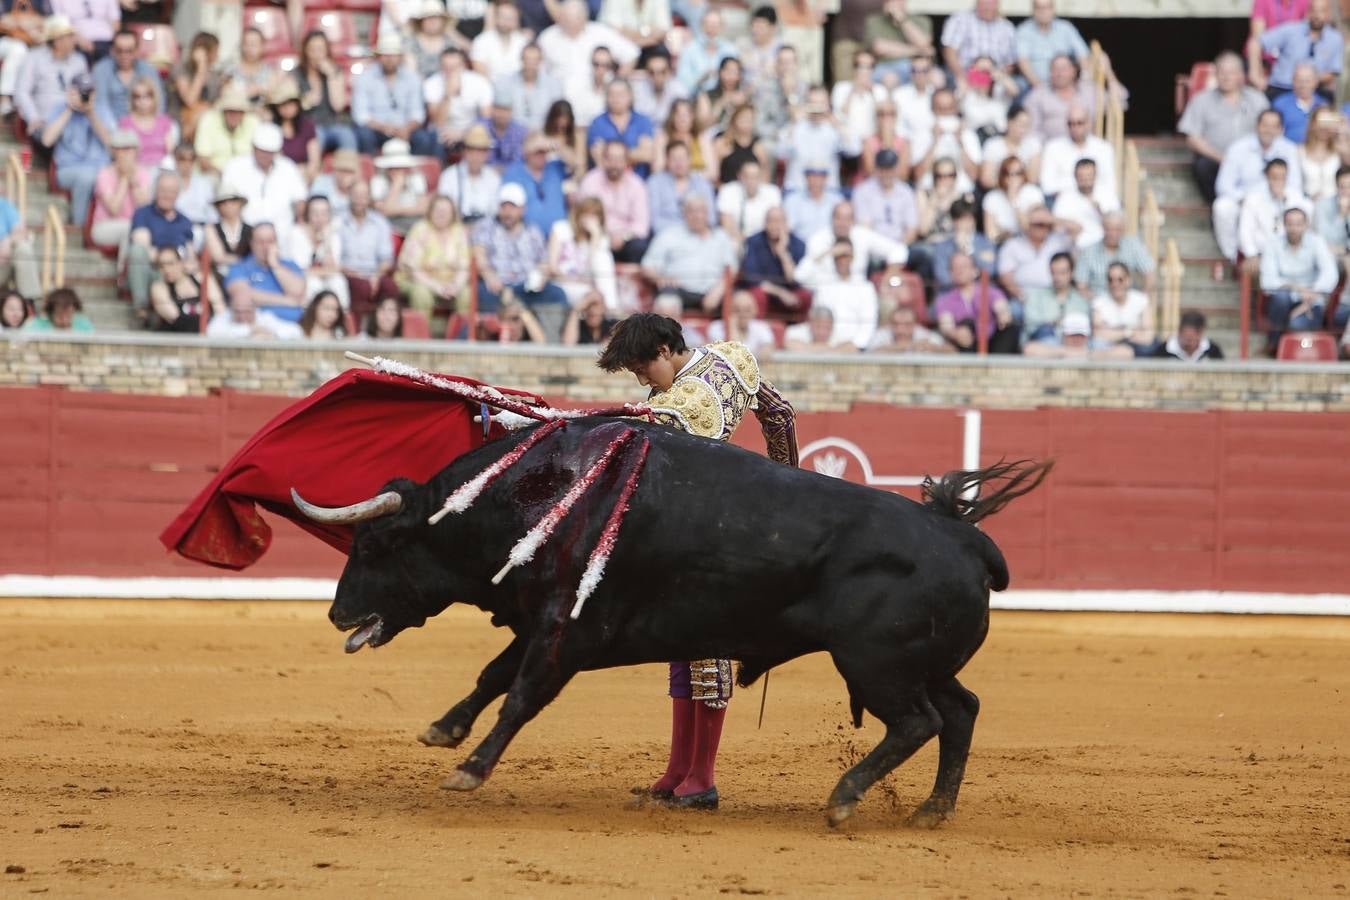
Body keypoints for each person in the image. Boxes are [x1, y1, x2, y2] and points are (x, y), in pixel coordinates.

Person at [596, 311, 797, 812]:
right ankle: (679, 770)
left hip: (711, 535)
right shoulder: (733, 355)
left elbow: (629, 433)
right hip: (704, 526)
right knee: (683, 643)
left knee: (704, 646)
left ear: (666, 350)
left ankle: (701, 777)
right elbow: (781, 414)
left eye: (643, 367)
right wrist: (789, 484)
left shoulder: (685, 402)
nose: (642, 379)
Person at [1178, 51, 1271, 204]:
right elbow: (1192, 137)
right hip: (1217, 159)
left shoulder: (1257, 99)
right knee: (1202, 166)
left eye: (1232, 72)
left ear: (1241, 75)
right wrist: (1223, 158)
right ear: (1215, 74)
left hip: (1251, 158)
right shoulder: (1201, 100)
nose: (1226, 77)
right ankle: (1215, 205)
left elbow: (1269, 127)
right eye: (1222, 72)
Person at [471, 182, 568, 327]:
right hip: (497, 286)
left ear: (523, 209)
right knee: (481, 293)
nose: (508, 212)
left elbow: (543, 262)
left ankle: (551, 341)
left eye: (513, 207)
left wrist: (541, 277)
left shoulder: (533, 231)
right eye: (504, 207)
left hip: (526, 288)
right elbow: (478, 255)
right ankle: (491, 338)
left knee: (557, 294)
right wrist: (489, 276)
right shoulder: (486, 226)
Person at [1213, 109, 1302, 261]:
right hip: (1243, 199)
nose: (1268, 130)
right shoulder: (1238, 148)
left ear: (1281, 130)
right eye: (1264, 125)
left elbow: (1295, 185)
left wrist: (1279, 194)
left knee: (1303, 206)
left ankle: (1290, 256)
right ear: (1257, 126)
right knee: (1222, 207)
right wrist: (1245, 199)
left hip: (1277, 198)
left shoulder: (1289, 149)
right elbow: (1223, 185)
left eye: (1273, 126)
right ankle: (1232, 257)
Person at [640, 193, 739, 311]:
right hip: (679, 289)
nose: (697, 216)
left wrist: (718, 290)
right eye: (691, 211)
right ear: (684, 213)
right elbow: (647, 265)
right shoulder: (669, 234)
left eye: (700, 211)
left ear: (707, 213)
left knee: (740, 302)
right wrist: (660, 277)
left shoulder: (721, 237)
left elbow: (732, 269)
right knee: (666, 302)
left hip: (714, 291)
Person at [1259, 206, 1337, 346]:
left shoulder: (1316, 242)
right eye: (1290, 224)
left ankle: (1283, 348)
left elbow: (1330, 274)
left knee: (1297, 325)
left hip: (1311, 300)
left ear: (1305, 225)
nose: (1294, 228)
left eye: (1298, 224)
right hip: (1284, 299)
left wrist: (1311, 294)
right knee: (1281, 297)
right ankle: (1273, 344)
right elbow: (1267, 281)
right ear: (1284, 225)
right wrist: (1297, 288)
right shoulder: (1273, 244)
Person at [41, 71, 108, 228]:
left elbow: (110, 142)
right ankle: (79, 228)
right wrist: (69, 109)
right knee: (87, 177)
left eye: (88, 92)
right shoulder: (60, 109)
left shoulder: (102, 110)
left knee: (103, 177)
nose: (84, 96)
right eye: (81, 91)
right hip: (68, 168)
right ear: (72, 91)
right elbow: (46, 140)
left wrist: (91, 113)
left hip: (100, 167)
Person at [125, 169, 193, 319]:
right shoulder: (143, 214)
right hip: (155, 269)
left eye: (171, 191)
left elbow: (190, 254)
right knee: (137, 252)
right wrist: (169, 261)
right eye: (163, 190)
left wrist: (183, 265)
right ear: (155, 191)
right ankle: (141, 307)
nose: (166, 195)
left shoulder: (185, 221)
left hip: (180, 272)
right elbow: (142, 247)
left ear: (178, 194)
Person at [352, 34, 435, 156]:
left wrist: (406, 129)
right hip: (377, 129)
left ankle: (417, 173)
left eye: (393, 54)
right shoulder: (366, 77)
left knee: (423, 139)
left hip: (405, 129)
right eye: (386, 54)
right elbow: (361, 115)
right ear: (379, 57)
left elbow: (417, 114)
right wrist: (383, 127)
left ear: (400, 57)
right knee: (364, 135)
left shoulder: (411, 77)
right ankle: (368, 172)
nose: (390, 59)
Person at [221, 122, 306, 238]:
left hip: (283, 232)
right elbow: (226, 203)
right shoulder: (236, 166)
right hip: (244, 234)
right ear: (253, 147)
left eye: (270, 152)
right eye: (261, 150)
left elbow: (300, 200)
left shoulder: (288, 167)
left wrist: (299, 221)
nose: (265, 155)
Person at [397, 194, 472, 326]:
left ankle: (461, 337)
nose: (441, 215)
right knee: (421, 293)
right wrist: (437, 287)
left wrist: (455, 286)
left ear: (453, 214)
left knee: (466, 293)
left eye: (446, 211)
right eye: (438, 210)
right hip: (419, 281)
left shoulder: (459, 231)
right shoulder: (420, 229)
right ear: (430, 212)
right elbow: (413, 270)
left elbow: (464, 267)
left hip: (450, 283)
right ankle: (422, 340)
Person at [799, 200, 908, 288]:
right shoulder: (817, 239)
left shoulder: (862, 235)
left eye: (847, 219)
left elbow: (899, 250)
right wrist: (829, 253)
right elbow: (801, 276)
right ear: (832, 219)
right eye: (838, 218)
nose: (842, 223)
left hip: (859, 292)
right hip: (827, 293)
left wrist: (888, 278)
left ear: (853, 221)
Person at [537, 0, 637, 93]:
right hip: (560, 100)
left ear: (584, 18)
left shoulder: (601, 32)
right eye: (565, 20)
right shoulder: (547, 37)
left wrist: (615, 85)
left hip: (597, 97)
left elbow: (631, 54)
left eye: (574, 20)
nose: (569, 24)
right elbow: (539, 70)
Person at [578, 140, 651, 263]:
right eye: (610, 159)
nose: (614, 164)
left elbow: (641, 225)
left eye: (619, 159)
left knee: (640, 247)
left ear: (626, 162)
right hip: (596, 235)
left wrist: (622, 237)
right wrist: (603, 236)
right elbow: (583, 216)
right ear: (603, 160)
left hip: (626, 239)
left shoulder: (636, 185)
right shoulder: (590, 181)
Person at [338, 181, 400, 321]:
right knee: (361, 287)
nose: (360, 199)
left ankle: (389, 333)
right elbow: (335, 259)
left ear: (369, 198)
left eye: (364, 196)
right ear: (349, 196)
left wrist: (376, 276)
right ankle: (358, 332)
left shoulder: (380, 222)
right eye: (356, 195)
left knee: (390, 287)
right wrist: (355, 274)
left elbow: (387, 258)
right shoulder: (337, 221)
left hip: (375, 273)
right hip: (347, 273)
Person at [14, 14, 86, 133]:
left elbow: (84, 91)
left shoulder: (79, 61)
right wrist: (33, 118)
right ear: (56, 40)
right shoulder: (33, 58)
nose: (74, 40)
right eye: (69, 36)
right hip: (43, 121)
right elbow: (22, 92)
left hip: (72, 121)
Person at [934, 251, 1018, 353]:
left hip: (993, 342)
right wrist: (955, 333)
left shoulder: (990, 291)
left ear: (974, 271)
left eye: (964, 267)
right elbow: (946, 325)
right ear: (950, 272)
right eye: (955, 267)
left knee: (1011, 326)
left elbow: (1001, 307)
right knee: (966, 324)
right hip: (967, 345)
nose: (959, 271)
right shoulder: (944, 300)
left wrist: (1003, 316)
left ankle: (997, 365)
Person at [1256, 0, 1341, 98]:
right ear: (1308, 12)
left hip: (1314, 90)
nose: (1317, 15)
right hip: (1282, 88)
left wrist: (1308, 79)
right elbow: (1256, 43)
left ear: (1328, 14)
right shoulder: (1291, 30)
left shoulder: (1335, 39)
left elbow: (1334, 72)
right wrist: (1255, 75)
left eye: (1322, 11)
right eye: (1314, 10)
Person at [225, 221, 307, 322]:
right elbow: (242, 295)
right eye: (260, 242)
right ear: (251, 244)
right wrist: (288, 301)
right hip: (259, 326)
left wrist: (275, 265)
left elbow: (297, 292)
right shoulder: (240, 267)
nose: (265, 247)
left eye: (270, 241)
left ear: (277, 243)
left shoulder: (290, 265)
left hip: (293, 327)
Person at [805, 240, 881, 349]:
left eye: (845, 255)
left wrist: (856, 345)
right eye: (837, 256)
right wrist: (828, 252)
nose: (841, 260)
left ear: (852, 257)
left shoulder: (865, 287)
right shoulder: (822, 283)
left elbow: (869, 323)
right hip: (823, 347)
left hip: (853, 350)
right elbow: (798, 277)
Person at [547, 194, 617, 309]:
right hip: (564, 284)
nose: (590, 219)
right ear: (579, 214)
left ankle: (611, 307)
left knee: (602, 257)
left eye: (595, 215)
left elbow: (594, 269)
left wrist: (595, 236)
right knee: (593, 296)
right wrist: (574, 279)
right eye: (587, 213)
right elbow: (553, 268)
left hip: (589, 286)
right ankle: (611, 308)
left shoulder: (601, 238)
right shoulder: (561, 228)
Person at [996, 205, 1072, 309]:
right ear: (1028, 224)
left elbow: (1078, 230)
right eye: (1038, 224)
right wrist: (1022, 296)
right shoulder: (1013, 244)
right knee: (1014, 310)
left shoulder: (1057, 241)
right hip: (1023, 298)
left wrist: (1052, 219)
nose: (1042, 228)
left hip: (1054, 295)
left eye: (1046, 224)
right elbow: (1005, 277)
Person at [739, 205, 807, 318]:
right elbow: (753, 279)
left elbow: (795, 279)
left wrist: (783, 254)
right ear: (764, 224)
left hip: (790, 295)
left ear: (786, 224)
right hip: (766, 293)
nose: (775, 225)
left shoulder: (798, 244)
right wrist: (780, 293)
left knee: (805, 296)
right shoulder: (754, 242)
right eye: (771, 221)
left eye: (779, 221)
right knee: (757, 294)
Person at [1237, 157, 1310, 262]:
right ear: (1267, 176)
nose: (1278, 181)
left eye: (1282, 177)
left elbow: (1301, 226)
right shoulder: (1253, 198)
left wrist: (1284, 201)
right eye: (1275, 177)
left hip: (1291, 252)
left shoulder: (1295, 197)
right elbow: (1245, 231)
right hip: (1261, 253)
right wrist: (1251, 254)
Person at [1039, 104, 1117, 203]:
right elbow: (1047, 186)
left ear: (1088, 123)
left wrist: (1067, 182)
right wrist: (1085, 185)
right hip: (1064, 204)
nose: (1074, 127)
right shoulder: (1052, 147)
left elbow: (1110, 185)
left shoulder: (1104, 148)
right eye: (1070, 123)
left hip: (1097, 203)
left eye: (1079, 123)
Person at [295, 30, 357, 154]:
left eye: (321, 50)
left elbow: (338, 106)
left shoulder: (335, 72)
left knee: (347, 135)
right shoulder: (296, 74)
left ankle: (350, 172)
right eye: (312, 50)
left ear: (327, 52)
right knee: (316, 137)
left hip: (333, 124)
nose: (317, 55)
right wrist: (307, 100)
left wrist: (331, 77)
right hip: (309, 126)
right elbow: (291, 106)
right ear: (305, 51)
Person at [89, 127, 149, 254]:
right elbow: (114, 209)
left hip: (133, 225)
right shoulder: (104, 174)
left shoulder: (143, 173)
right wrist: (124, 178)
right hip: (104, 226)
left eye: (128, 149)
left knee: (138, 230)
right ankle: (124, 271)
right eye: (120, 149)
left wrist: (132, 180)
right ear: (113, 151)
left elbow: (143, 207)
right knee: (132, 229)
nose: (124, 153)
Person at [1021, 251, 1090, 356]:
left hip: (1074, 344)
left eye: (1062, 272)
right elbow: (1031, 326)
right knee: (1034, 346)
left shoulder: (1081, 299)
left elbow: (1084, 329)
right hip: (1045, 343)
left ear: (1071, 273)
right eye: (1054, 272)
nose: (1057, 277)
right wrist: (1054, 322)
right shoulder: (1036, 296)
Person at [781, 86, 849, 193]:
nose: (817, 108)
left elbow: (852, 149)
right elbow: (781, 151)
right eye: (813, 103)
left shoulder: (834, 128)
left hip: (828, 191)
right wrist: (794, 122)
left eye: (821, 103)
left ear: (828, 105)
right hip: (798, 190)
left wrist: (838, 126)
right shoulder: (797, 126)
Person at [286, 195, 348, 310]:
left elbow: (332, 269)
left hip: (323, 277)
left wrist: (327, 242)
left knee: (338, 282)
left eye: (324, 214)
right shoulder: (296, 234)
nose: (320, 218)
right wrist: (323, 271)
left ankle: (341, 318)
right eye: (315, 213)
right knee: (313, 284)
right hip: (299, 280)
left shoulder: (333, 236)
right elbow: (299, 270)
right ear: (307, 215)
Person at [502, 130, 569, 235]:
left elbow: (576, 163)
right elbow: (505, 205)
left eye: (543, 151)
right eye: (537, 151)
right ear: (527, 152)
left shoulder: (554, 167)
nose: (541, 155)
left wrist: (555, 145)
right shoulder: (514, 172)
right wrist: (534, 145)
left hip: (558, 237)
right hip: (527, 238)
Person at [1074, 211, 1156, 297]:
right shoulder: (1088, 251)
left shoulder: (1133, 245)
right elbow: (1081, 285)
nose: (1113, 234)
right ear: (1103, 228)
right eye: (1109, 229)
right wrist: (1100, 304)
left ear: (1124, 229)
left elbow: (1150, 273)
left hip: (1129, 304)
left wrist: (1140, 299)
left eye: (1117, 229)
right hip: (1098, 304)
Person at [92, 28, 162, 127]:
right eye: (119, 51)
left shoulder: (149, 70)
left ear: (137, 50)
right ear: (112, 50)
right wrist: (117, 132)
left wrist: (148, 128)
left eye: (129, 51)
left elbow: (159, 103)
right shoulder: (101, 69)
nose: (124, 55)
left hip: (144, 126)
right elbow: (101, 105)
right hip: (110, 129)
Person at [647, 140, 716, 236]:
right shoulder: (655, 182)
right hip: (666, 236)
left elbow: (711, 218)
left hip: (698, 236)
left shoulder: (702, 183)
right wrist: (683, 231)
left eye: (682, 158)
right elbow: (654, 220)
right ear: (667, 160)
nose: (679, 163)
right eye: (674, 158)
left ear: (689, 159)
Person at [939, 0, 1017, 85]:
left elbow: (1010, 63)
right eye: (985, 4)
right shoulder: (960, 19)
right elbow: (949, 50)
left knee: (1016, 85)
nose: (988, 7)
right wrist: (961, 76)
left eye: (992, 4)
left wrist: (1000, 79)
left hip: (995, 79)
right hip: (963, 76)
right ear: (977, 3)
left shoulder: (1007, 27)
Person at [926, 197, 996, 292]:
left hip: (979, 293)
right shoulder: (943, 247)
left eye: (968, 220)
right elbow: (942, 277)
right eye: (960, 220)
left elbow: (990, 271)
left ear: (974, 221)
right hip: (951, 293)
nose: (964, 224)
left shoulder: (985, 243)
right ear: (954, 221)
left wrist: (969, 251)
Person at [587, 78, 654, 176]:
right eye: (612, 94)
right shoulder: (597, 123)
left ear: (630, 96)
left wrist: (612, 156)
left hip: (638, 182)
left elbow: (647, 155)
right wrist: (634, 154)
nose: (616, 98)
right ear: (606, 97)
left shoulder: (643, 121)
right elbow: (598, 159)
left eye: (621, 94)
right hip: (607, 181)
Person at [851, 148, 918, 246]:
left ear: (896, 169)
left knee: (925, 253)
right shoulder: (863, 191)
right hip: (873, 246)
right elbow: (864, 227)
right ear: (876, 169)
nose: (887, 173)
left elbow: (912, 228)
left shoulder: (906, 191)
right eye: (883, 169)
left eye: (890, 168)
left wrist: (900, 248)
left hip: (901, 244)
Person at [1015, 0, 1089, 88]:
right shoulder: (1024, 30)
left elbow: (1083, 54)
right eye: (1039, 8)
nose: (1043, 11)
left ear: (1053, 9)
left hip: (1067, 85)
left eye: (1047, 7)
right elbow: (1022, 62)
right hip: (1035, 85)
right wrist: (1040, 87)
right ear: (1033, 10)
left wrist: (1084, 80)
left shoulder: (1066, 28)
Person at [149, 244, 220, 333]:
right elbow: (176, 319)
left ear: (181, 262)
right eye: (162, 266)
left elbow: (219, 309)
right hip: (178, 338)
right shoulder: (159, 288)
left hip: (209, 333)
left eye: (170, 264)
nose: (166, 269)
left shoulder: (202, 279)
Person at [1091, 262, 1157, 358]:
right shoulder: (1098, 302)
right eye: (1111, 280)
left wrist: (1114, 334)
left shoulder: (1141, 300)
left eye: (1120, 279)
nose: (1115, 284)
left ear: (1128, 280)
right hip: (1108, 348)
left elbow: (1148, 336)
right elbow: (1098, 335)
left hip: (1136, 349)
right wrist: (1130, 332)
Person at [436, 124, 499, 223]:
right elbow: (443, 210)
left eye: (480, 151)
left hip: (485, 230)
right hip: (455, 227)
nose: (476, 156)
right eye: (471, 150)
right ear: (464, 151)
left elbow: (495, 212)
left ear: (487, 153)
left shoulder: (493, 178)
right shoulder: (449, 176)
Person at [1052, 158, 1118, 249]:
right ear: (1075, 176)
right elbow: (1057, 225)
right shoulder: (1065, 197)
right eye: (1082, 176)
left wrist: (1100, 211)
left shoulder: (1107, 194)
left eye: (1089, 176)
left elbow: (1117, 223)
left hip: (1102, 246)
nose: (1086, 180)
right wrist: (1072, 226)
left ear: (1095, 176)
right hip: (1074, 246)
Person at [192, 83, 258, 176]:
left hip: (246, 177)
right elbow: (203, 160)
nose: (234, 115)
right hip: (215, 175)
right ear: (223, 110)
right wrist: (226, 177)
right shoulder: (209, 119)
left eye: (239, 111)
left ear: (244, 112)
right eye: (230, 110)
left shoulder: (253, 122)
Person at [715, 158, 781, 248]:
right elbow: (726, 224)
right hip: (736, 240)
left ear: (761, 177)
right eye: (747, 176)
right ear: (739, 176)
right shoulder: (727, 190)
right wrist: (743, 240)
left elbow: (776, 222)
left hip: (764, 241)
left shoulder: (772, 192)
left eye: (755, 177)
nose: (751, 181)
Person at [865, 0, 934, 87]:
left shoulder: (921, 20)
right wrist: (919, 51)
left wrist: (902, 20)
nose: (892, 3)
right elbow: (880, 47)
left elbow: (923, 43)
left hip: (918, 66)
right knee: (890, 79)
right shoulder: (874, 21)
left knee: (936, 78)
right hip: (886, 66)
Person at [493, 42, 559, 131]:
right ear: (521, 59)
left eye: (534, 60)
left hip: (543, 134)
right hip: (512, 134)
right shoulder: (505, 83)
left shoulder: (553, 85)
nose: (530, 64)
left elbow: (556, 116)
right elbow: (500, 114)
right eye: (527, 59)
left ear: (540, 61)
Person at [207, 279, 303, 340]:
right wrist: (250, 330)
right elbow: (212, 332)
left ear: (254, 309)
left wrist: (271, 333)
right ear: (231, 308)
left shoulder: (264, 317)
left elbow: (296, 331)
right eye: (238, 311)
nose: (242, 316)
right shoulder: (224, 316)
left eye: (246, 311)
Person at [370, 138, 431, 233]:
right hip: (390, 227)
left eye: (400, 167)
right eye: (393, 167)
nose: (397, 171)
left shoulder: (417, 178)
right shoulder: (378, 181)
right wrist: (397, 185)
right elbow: (385, 212)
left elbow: (424, 208)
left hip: (416, 225)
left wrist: (396, 210)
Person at [171, 31, 223, 141]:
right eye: (215, 51)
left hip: (206, 126)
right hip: (182, 124)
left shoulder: (215, 76)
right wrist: (201, 68)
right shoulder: (181, 69)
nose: (218, 55)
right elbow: (190, 100)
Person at [983, 155, 1045, 244]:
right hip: (1003, 244)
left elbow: (1028, 228)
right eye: (1008, 174)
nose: (1013, 178)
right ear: (1002, 176)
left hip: (1029, 243)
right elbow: (991, 235)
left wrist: (1014, 200)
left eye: (1018, 173)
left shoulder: (1033, 192)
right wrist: (1005, 235)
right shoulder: (992, 197)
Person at [116, 75, 174, 167]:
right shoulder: (125, 123)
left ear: (154, 98)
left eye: (147, 96)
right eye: (137, 97)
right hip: (136, 171)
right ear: (132, 100)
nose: (142, 101)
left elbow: (170, 153)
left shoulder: (164, 121)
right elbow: (123, 155)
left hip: (161, 170)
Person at [980, 106, 1042, 190]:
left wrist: (1016, 183)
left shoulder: (1033, 144)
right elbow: (986, 180)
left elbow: (1033, 178)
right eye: (1020, 124)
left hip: (1025, 190)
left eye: (1026, 125)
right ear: (1009, 122)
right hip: (998, 191)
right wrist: (1008, 184)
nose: (1023, 129)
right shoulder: (992, 145)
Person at [269, 78, 319, 182]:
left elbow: (314, 161)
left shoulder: (307, 125)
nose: (287, 108)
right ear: (276, 107)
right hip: (278, 179)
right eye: (282, 104)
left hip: (305, 178)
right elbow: (274, 161)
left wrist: (305, 176)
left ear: (298, 104)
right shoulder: (271, 128)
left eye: (291, 103)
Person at [675, 8, 735, 94]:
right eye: (708, 24)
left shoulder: (730, 50)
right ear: (701, 25)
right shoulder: (689, 50)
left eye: (715, 25)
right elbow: (682, 84)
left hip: (725, 99)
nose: (711, 29)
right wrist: (701, 79)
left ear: (722, 27)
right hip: (694, 99)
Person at [783, 162, 843, 244]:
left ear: (826, 178)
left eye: (820, 176)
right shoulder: (793, 200)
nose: (816, 180)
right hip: (802, 248)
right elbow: (787, 230)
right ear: (806, 177)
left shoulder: (837, 200)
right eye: (812, 175)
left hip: (830, 248)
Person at [203, 181, 251, 282]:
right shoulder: (211, 228)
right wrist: (245, 261)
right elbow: (218, 257)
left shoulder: (251, 229)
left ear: (240, 203)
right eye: (223, 202)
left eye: (233, 201)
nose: (228, 205)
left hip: (248, 276)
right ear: (218, 206)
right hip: (221, 277)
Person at [472, 0, 530, 82]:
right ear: (496, 18)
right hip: (490, 88)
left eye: (511, 18)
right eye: (503, 17)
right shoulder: (481, 40)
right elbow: (479, 70)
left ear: (517, 20)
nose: (506, 22)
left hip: (519, 89)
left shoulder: (524, 41)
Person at [706, 289, 777, 356]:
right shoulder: (716, 327)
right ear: (729, 310)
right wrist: (732, 327)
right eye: (737, 310)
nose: (743, 314)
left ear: (755, 310)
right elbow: (734, 353)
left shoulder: (761, 327)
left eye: (747, 310)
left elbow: (767, 352)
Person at [655, 97, 713, 178]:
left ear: (692, 117)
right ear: (672, 117)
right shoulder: (663, 138)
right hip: (669, 184)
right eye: (678, 115)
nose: (682, 119)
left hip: (698, 184)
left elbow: (713, 172)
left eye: (686, 115)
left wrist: (688, 180)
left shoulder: (701, 138)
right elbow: (657, 169)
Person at [1271, 62, 1326, 143]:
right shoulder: (1280, 104)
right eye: (1299, 80)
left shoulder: (1324, 106)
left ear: (1316, 82)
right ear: (1292, 81)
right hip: (1287, 152)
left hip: (1315, 152)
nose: (1303, 85)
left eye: (1307, 81)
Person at [225, 26, 278, 110]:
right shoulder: (230, 70)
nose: (249, 48)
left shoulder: (270, 72)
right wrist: (245, 93)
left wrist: (260, 90)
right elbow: (225, 95)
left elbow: (276, 98)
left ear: (262, 46)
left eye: (253, 44)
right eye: (246, 44)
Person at [0, 185, 37, 301]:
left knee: (23, 248)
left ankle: (29, 302)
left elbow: (23, 232)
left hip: (3, 263)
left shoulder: (4, 205)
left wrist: (8, 241)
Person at [405, 0, 458, 79]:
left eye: (436, 17)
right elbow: (411, 70)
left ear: (443, 21)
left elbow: (455, 68)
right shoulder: (410, 41)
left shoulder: (450, 42)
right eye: (428, 18)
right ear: (421, 21)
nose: (433, 21)